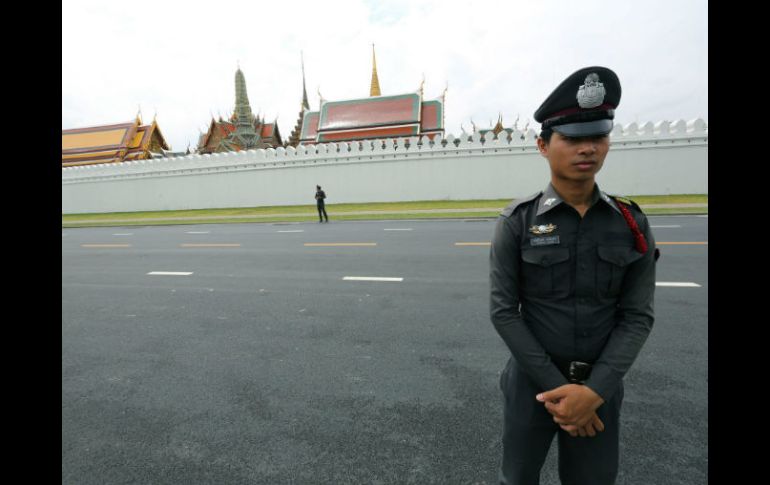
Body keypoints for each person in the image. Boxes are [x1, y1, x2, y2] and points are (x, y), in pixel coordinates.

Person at [489, 66, 658, 485]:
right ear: (543, 145)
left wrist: (593, 392)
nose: (587, 149)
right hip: (532, 386)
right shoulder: (518, 221)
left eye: (597, 137)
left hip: (599, 387)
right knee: (518, 478)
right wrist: (561, 394)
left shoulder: (629, 222)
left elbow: (637, 316)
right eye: (572, 138)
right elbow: (504, 312)